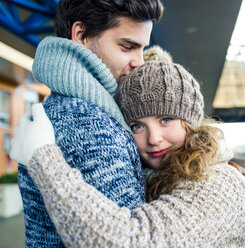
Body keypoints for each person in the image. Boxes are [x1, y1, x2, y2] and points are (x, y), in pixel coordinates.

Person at [11, 60, 245, 247]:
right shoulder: (156, 176)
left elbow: (130, 241)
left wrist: (42, 158)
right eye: (137, 126)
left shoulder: (220, 182)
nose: (153, 139)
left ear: (191, 122)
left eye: (166, 119)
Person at [17, 0, 164, 246]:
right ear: (81, 34)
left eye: (142, 49)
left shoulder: (73, 109)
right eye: (127, 47)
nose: (140, 61)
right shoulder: (85, 122)